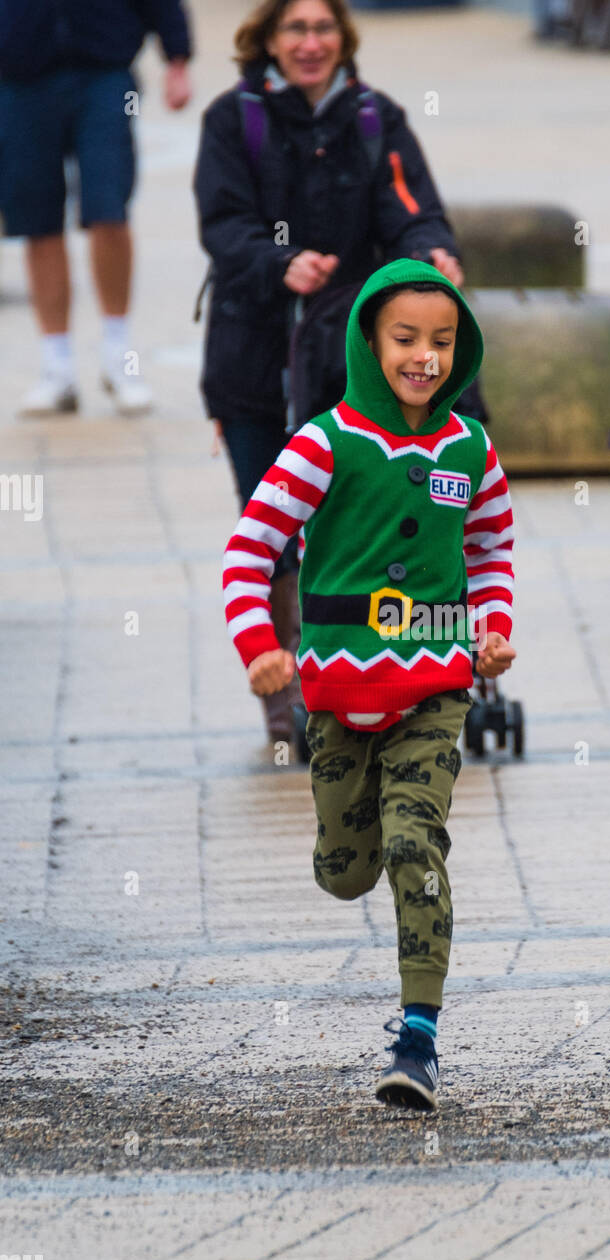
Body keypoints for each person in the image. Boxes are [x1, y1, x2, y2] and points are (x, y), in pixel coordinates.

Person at [222, 258, 516, 1110]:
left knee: (413, 841)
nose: (425, 356)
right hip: (336, 693)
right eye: (405, 338)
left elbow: (490, 551)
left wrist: (490, 628)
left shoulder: (472, 449)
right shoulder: (325, 443)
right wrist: (261, 649)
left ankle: (418, 1037)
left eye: (442, 340)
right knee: (350, 868)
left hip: (435, 686)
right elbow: (249, 551)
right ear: (368, 342)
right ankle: (341, 846)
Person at [194, 0, 468, 743]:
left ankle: (369, 680)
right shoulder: (233, 119)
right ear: (268, 40)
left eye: (323, 28)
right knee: (272, 522)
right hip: (255, 356)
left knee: (356, 522)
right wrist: (276, 260)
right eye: (295, 29)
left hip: (350, 356)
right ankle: (284, 688)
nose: (310, 42)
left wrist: (430, 257)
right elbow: (222, 223)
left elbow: (414, 211)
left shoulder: (377, 117)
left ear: (343, 38)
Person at [0, 0, 193, 418]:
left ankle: (118, 356)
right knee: (37, 220)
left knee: (109, 208)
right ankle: (57, 366)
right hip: (19, 78)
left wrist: (176, 56)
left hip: (106, 73)